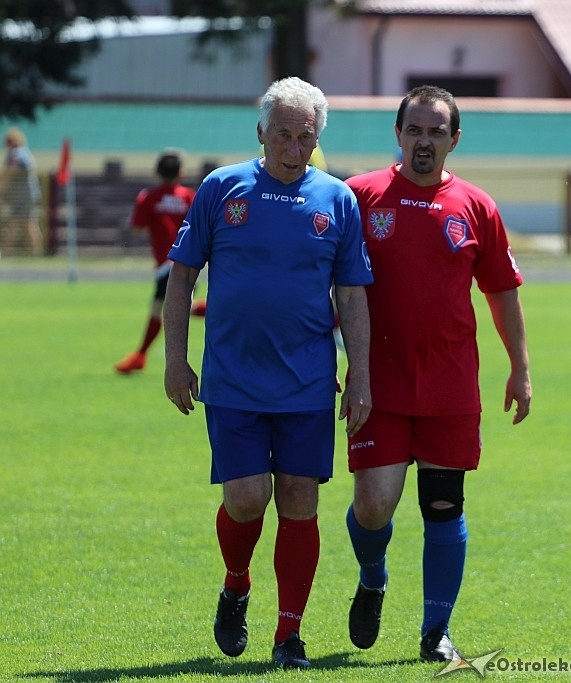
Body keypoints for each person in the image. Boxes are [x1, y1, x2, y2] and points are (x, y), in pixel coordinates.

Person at [162, 77, 373, 670]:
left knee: (300, 502)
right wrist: (176, 360)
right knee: (249, 498)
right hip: (232, 379)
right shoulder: (221, 188)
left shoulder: (337, 200)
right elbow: (181, 278)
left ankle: (289, 636)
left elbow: (353, 296)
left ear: (317, 139)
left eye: (304, 136)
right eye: (282, 133)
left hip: (308, 380)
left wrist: (360, 375)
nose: (292, 145)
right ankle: (236, 585)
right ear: (261, 132)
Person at [342, 84, 531, 663]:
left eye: (436, 131)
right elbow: (331, 288)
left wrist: (520, 368)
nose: (425, 141)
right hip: (379, 383)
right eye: (414, 130)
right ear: (398, 134)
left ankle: (435, 632)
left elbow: (501, 292)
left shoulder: (476, 206)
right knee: (374, 505)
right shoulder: (359, 196)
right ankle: (373, 578)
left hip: (450, 385)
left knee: (444, 506)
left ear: (454, 139)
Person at [115, 149, 202, 374]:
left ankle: (139, 356)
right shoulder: (189, 196)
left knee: (165, 309)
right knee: (173, 308)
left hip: (168, 264)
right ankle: (140, 356)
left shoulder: (148, 197)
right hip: (189, 260)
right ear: (181, 173)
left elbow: (136, 227)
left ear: (156, 172)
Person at [0, 127, 43, 256]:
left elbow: (12, 170)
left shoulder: (18, 153)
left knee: (22, 222)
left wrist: (1, 185)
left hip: (24, 195)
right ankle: (36, 252)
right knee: (26, 222)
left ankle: (7, 251)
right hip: (23, 195)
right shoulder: (23, 152)